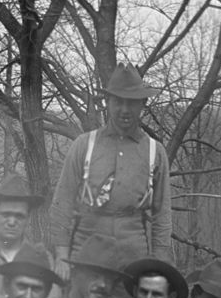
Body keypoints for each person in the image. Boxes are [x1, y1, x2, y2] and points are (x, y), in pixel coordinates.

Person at [49, 63, 174, 276]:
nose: (124, 110)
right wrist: (61, 256)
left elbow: (162, 215)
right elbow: (63, 203)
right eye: (118, 102)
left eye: (132, 103)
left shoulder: (155, 151)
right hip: (86, 258)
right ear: (107, 102)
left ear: (143, 104)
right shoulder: (84, 145)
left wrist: (160, 264)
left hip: (134, 260)